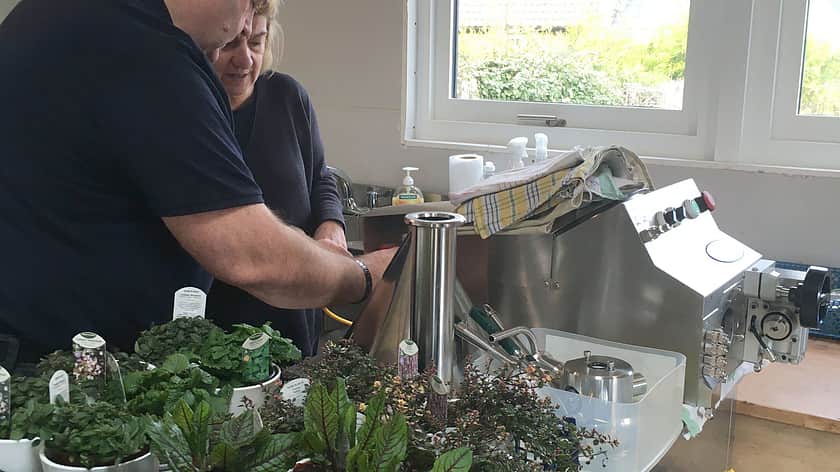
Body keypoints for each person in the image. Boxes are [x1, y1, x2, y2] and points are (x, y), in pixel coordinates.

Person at [0, 0, 394, 368]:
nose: (242, 26)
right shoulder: (143, 48)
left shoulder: (55, 15)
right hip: (55, 367)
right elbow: (251, 258)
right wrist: (362, 276)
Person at [206, 0, 346, 356]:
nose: (246, 59)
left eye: (256, 42)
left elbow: (320, 176)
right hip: (217, 326)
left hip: (295, 318)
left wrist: (331, 225)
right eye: (230, 45)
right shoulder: (193, 114)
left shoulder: (288, 96)